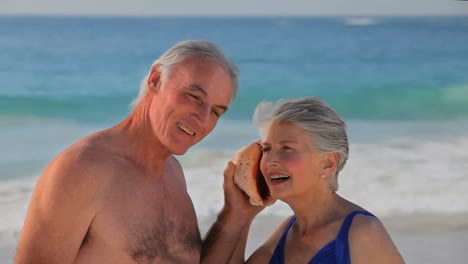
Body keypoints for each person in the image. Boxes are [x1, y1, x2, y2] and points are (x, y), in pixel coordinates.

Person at [15, 39, 239, 264]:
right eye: (194, 97)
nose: (202, 120)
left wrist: (237, 213)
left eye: (216, 112)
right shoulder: (83, 169)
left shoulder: (174, 175)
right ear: (156, 79)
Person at [202, 97, 405, 263]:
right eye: (267, 149)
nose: (270, 160)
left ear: (328, 163)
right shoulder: (287, 232)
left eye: (287, 148)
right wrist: (238, 214)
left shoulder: (362, 233)